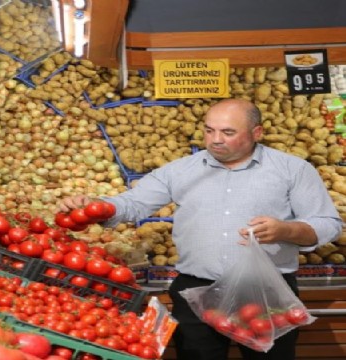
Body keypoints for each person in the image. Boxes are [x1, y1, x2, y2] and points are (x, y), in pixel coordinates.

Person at [58, 98, 343, 360]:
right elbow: (132, 204)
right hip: (195, 289)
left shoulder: (293, 169)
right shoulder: (181, 170)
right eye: (209, 131)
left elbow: (328, 224)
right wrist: (95, 206)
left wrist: (286, 230)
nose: (216, 140)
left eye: (228, 132)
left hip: (267, 292)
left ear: (257, 133)